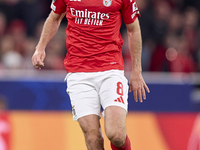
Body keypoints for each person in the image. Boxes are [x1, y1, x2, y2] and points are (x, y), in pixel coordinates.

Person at [32, 0, 150, 149]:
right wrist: (40, 47)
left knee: (117, 135)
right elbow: (54, 17)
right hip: (78, 73)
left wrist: (137, 71)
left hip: (110, 70)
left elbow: (133, 29)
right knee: (93, 138)